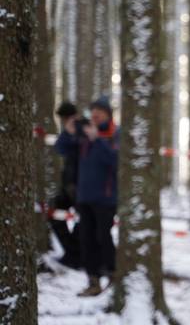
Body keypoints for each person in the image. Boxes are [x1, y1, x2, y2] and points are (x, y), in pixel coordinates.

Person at [76, 96, 119, 297]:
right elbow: (62, 149)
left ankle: (113, 274)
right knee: (86, 239)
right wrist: (69, 131)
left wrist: (98, 140)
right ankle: (93, 281)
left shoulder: (115, 134)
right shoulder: (84, 134)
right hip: (84, 197)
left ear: (108, 114)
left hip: (106, 198)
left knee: (103, 236)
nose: (95, 115)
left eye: (99, 112)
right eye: (93, 112)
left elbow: (114, 160)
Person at [51, 101, 83, 269]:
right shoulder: (68, 132)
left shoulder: (85, 129)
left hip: (84, 185)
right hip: (69, 185)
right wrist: (68, 133)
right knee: (53, 212)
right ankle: (72, 254)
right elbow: (60, 148)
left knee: (82, 220)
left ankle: (77, 257)